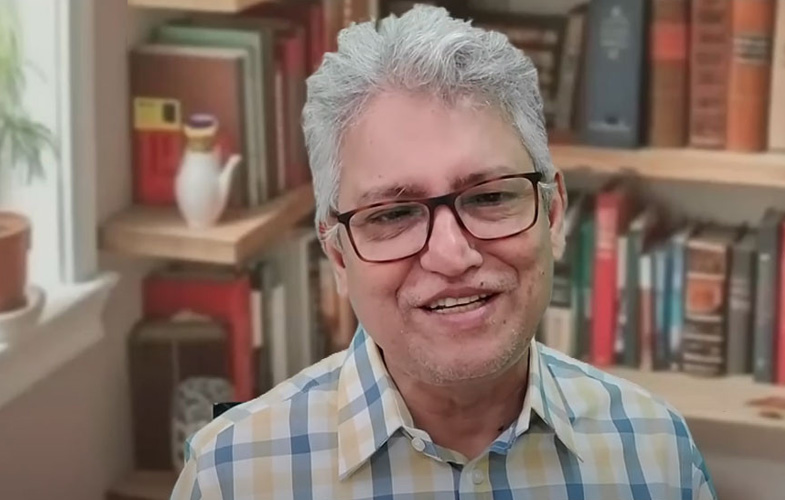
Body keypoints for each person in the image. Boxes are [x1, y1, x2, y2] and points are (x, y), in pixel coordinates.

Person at [171, 5, 717, 499]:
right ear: (338, 256)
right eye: (392, 214)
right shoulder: (230, 476)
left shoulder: (657, 455)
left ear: (552, 215)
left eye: (490, 197)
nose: (452, 256)